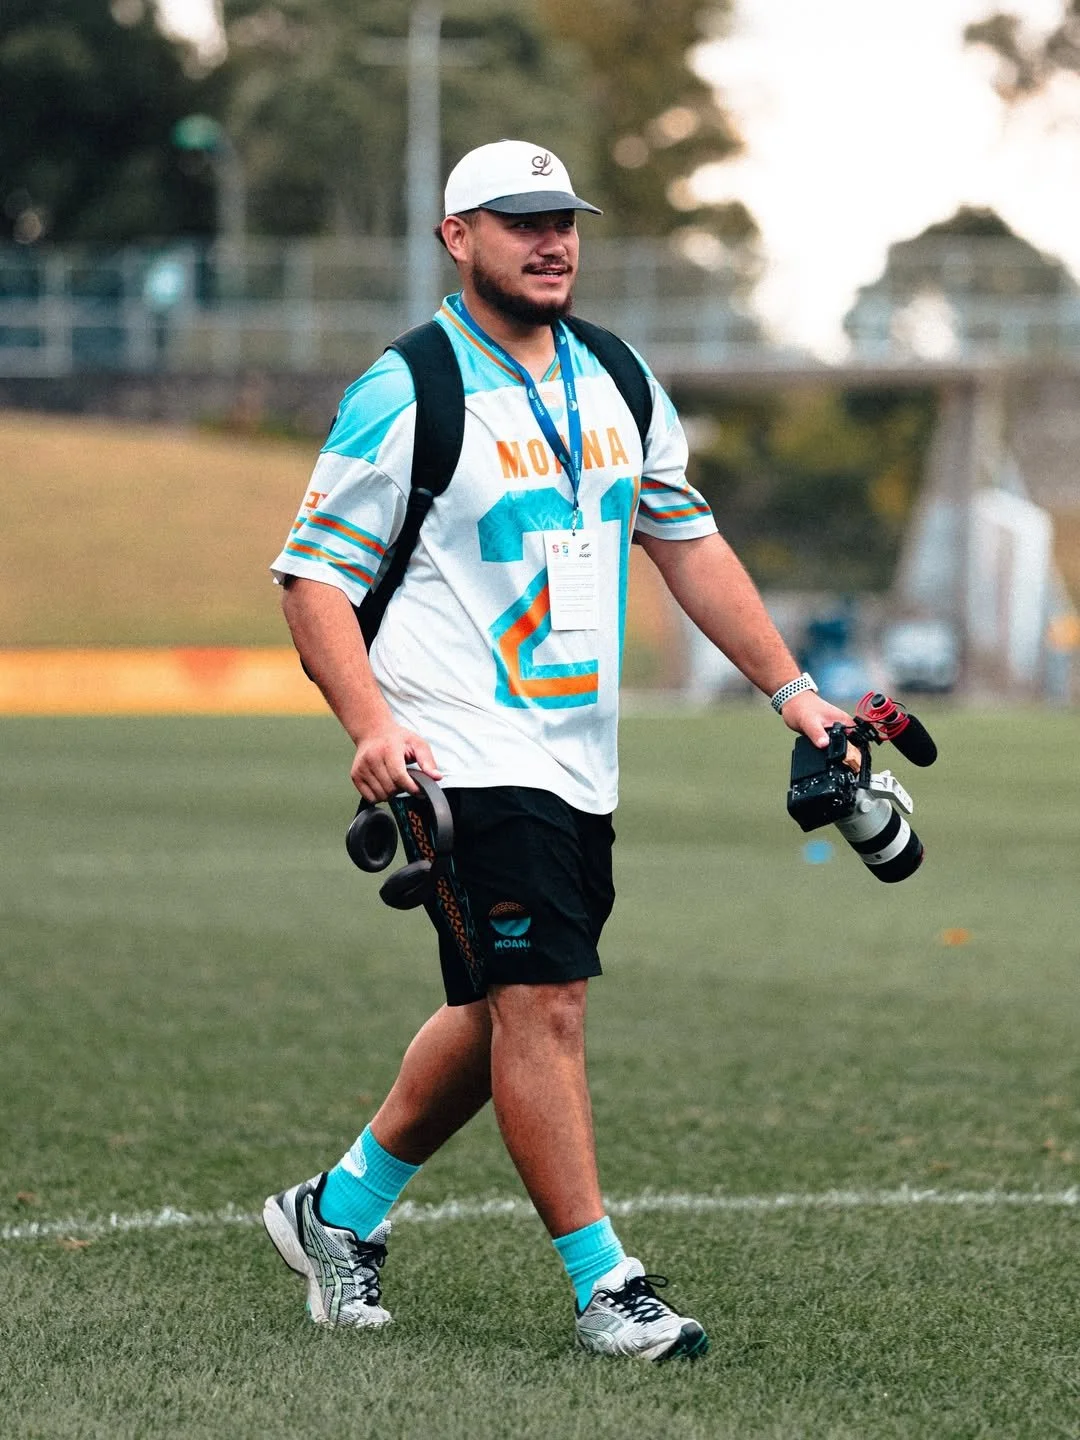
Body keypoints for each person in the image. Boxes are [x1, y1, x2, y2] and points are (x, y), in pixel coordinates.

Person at [263, 139, 853, 1362]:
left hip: (579, 755)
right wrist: (373, 725)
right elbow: (311, 580)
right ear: (455, 238)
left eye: (564, 220)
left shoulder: (621, 377)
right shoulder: (406, 385)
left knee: (503, 1004)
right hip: (461, 754)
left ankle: (337, 1212)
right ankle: (606, 1287)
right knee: (548, 1003)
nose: (552, 240)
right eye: (519, 220)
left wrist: (796, 692)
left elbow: (688, 544)